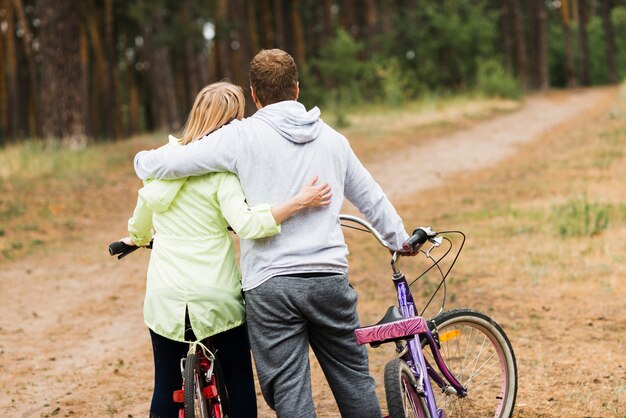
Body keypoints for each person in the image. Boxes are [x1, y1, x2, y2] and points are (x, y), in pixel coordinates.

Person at [134, 49, 411, 418]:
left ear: (254, 94)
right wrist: (400, 239)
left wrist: (142, 161)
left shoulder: (240, 137)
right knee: (353, 378)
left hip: (269, 285)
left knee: (289, 392)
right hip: (328, 279)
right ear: (296, 90)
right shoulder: (333, 141)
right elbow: (371, 197)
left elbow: (171, 163)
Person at [123, 81, 332, 418]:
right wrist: (297, 203)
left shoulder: (161, 169)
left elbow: (139, 224)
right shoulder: (222, 174)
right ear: (232, 124)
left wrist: (138, 237)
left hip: (166, 300)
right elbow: (247, 224)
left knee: (165, 384)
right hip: (215, 299)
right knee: (237, 378)